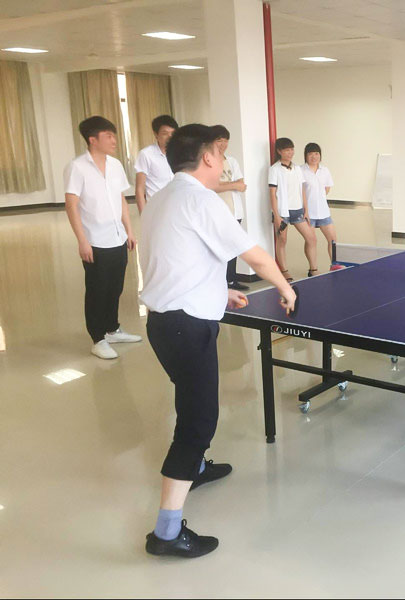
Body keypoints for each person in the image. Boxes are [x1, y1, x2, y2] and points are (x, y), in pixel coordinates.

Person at [139, 124, 296, 559]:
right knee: (198, 422)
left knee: (190, 400)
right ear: (207, 157)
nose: (224, 161)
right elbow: (256, 257)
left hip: (165, 323)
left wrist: (218, 290)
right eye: (220, 153)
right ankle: (166, 533)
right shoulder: (202, 199)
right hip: (187, 327)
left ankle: (196, 467)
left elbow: (171, 258)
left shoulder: (162, 198)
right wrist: (286, 288)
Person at [64, 116, 141, 360]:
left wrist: (129, 230)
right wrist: (82, 240)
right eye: (108, 136)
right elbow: (71, 205)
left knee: (115, 287)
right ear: (92, 139)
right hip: (95, 240)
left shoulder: (116, 165)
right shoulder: (77, 167)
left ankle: (112, 329)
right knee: (97, 290)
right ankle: (97, 339)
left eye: (114, 135)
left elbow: (121, 199)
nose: (114, 140)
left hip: (117, 236)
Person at [268, 138, 318, 280]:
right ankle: (284, 271)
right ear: (279, 151)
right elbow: (272, 194)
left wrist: (306, 210)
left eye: (291, 149)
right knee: (282, 240)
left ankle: (313, 269)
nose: (290, 153)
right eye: (287, 150)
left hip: (298, 210)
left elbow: (302, 190)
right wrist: (276, 216)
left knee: (311, 238)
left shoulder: (297, 168)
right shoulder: (274, 169)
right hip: (282, 212)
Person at [209, 124, 249, 291]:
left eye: (226, 141)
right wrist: (232, 185)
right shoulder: (208, 161)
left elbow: (242, 185)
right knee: (219, 248)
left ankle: (231, 280)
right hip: (219, 212)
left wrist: (226, 185)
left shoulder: (232, 161)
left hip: (235, 211)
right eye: (219, 140)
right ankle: (219, 282)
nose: (223, 144)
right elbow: (212, 186)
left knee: (233, 246)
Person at [300, 142, 336, 266]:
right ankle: (313, 268)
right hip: (307, 213)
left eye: (316, 153)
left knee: (333, 240)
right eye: (310, 154)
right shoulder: (300, 170)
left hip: (324, 212)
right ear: (305, 155)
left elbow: (327, 188)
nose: (314, 156)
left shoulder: (324, 170)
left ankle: (334, 265)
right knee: (311, 241)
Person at [134, 114, 178, 214]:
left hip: (177, 207)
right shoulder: (146, 154)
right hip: (156, 210)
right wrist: (144, 216)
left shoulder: (179, 154)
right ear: (156, 134)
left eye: (173, 133)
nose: (170, 137)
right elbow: (139, 189)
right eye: (165, 133)